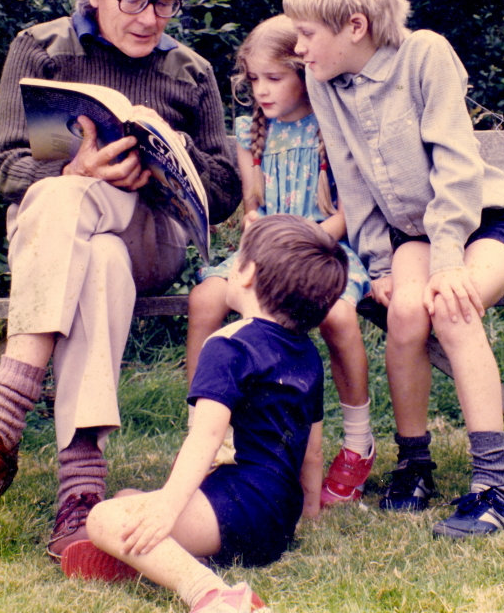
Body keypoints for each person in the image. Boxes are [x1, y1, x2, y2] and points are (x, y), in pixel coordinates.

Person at [0, 0, 241, 560]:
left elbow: (227, 189)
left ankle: (1, 415)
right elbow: (9, 166)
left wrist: (173, 157)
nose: (151, 18)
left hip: (148, 239)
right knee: (83, 235)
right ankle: (80, 499)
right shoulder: (41, 48)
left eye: (165, 1)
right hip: (62, 243)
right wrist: (75, 169)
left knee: (87, 224)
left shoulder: (191, 71)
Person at [282, 0, 504, 539]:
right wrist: (376, 262)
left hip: (484, 222)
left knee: (452, 305)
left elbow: (453, 164)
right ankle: (413, 464)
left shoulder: (425, 54)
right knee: (404, 312)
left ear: (355, 25)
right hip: (412, 235)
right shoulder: (325, 84)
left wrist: (448, 261)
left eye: (307, 33)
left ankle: (493, 486)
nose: (299, 48)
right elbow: (350, 176)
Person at [57, 214, 349, 612]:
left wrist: (168, 507)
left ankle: (208, 591)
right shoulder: (308, 354)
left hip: (237, 507)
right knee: (131, 498)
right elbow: (312, 452)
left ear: (247, 274)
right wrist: (308, 516)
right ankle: (159, 560)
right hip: (278, 520)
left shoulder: (228, 345)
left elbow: (205, 438)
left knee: (106, 516)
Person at [186, 15, 375, 508]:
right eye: (253, 79)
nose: (261, 91)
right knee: (206, 296)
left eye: (274, 78)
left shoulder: (330, 123)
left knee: (337, 313)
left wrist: (309, 238)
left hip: (323, 246)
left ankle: (357, 441)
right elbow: (254, 200)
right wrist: (253, 219)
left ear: (303, 74)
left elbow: (352, 208)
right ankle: (208, 432)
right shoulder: (252, 128)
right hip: (266, 250)